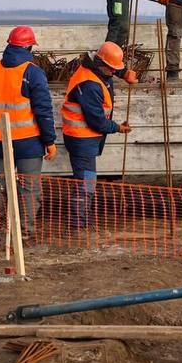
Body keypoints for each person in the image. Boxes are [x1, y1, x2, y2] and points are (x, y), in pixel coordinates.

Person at [0, 26, 57, 247]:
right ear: (29, 47)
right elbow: (43, 110)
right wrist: (49, 141)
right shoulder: (32, 73)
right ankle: (24, 237)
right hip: (28, 142)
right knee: (29, 189)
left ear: (9, 44)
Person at [61, 42, 133, 229]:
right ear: (102, 64)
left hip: (84, 139)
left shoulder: (95, 68)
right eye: (112, 69)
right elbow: (97, 121)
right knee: (86, 185)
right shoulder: (90, 84)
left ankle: (82, 220)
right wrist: (117, 127)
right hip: (82, 139)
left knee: (86, 183)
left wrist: (123, 73)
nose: (113, 72)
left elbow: (110, 67)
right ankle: (79, 225)